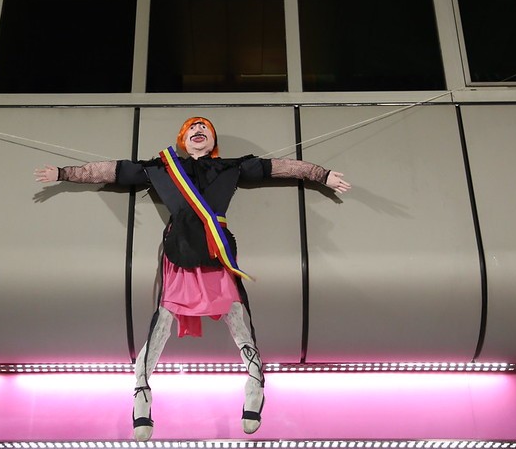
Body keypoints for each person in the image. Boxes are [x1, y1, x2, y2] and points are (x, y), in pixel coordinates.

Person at [34, 116, 351, 441]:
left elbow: (280, 168)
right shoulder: (162, 168)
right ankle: (141, 391)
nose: (199, 130)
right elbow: (114, 171)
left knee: (236, 315)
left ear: (213, 140)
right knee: (163, 319)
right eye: (192, 128)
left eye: (205, 127)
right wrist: (63, 173)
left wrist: (321, 175)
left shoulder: (231, 167)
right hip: (180, 247)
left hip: (215, 247)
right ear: (183, 139)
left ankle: (255, 382)